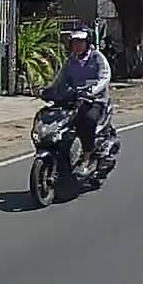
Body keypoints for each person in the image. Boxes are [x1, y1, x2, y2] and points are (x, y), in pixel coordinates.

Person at [44, 31, 111, 176]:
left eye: (81, 42)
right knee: (56, 119)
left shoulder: (97, 58)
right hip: (74, 100)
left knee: (87, 120)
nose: (77, 46)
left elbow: (105, 77)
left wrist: (92, 90)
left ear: (87, 43)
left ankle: (86, 158)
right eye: (75, 43)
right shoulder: (71, 61)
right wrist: (49, 90)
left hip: (95, 101)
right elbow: (60, 79)